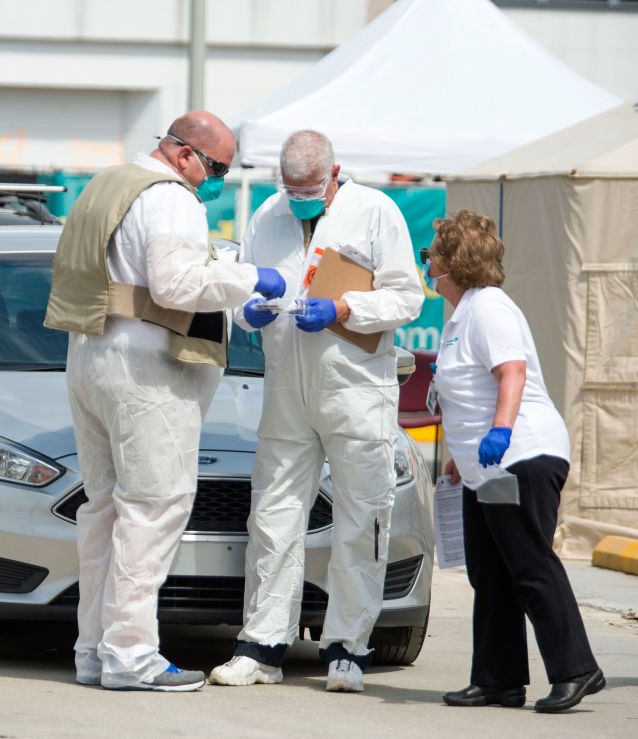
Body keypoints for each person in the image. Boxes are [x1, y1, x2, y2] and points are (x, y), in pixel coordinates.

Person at [44, 111, 286, 692]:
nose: (217, 179)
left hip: (91, 356)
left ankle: (95, 649)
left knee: (103, 510)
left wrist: (227, 280)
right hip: (145, 373)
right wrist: (252, 278)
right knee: (154, 508)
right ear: (184, 155)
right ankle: (132, 654)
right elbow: (175, 285)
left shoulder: (108, 183)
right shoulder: (171, 198)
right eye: (217, 167)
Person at [210, 130, 423, 692]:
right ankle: (261, 645)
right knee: (273, 514)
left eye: (309, 190)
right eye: (291, 189)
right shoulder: (268, 214)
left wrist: (346, 306)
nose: (299, 199)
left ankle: (347, 648)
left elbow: (406, 296)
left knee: (362, 515)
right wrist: (247, 313)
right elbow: (244, 286)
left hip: (355, 388)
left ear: (334, 173)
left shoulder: (376, 212)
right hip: (286, 388)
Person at [425, 209, 603, 713]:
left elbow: (511, 372)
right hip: (488, 468)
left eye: (431, 256)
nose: (428, 264)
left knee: (529, 563)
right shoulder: (461, 316)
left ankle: (577, 669)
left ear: (453, 264)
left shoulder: (490, 309)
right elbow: (468, 394)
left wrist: (501, 430)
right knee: (491, 571)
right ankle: (498, 678)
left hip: (521, 455)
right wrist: (461, 459)